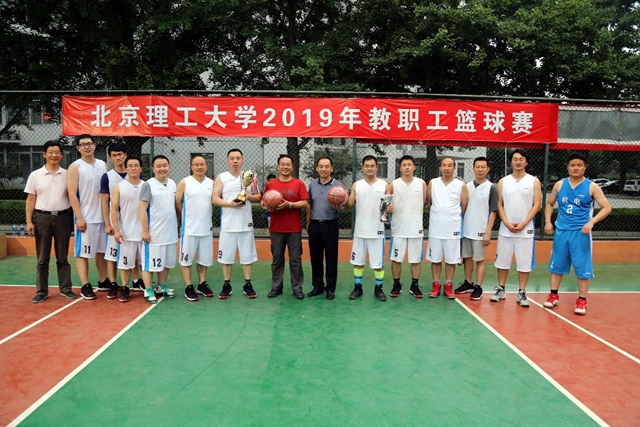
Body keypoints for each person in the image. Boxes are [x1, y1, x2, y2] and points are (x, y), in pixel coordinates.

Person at [543, 152, 611, 315]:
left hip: (581, 233)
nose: (575, 168)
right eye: (572, 165)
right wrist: (548, 221)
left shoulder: (592, 186)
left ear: (584, 167)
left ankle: (581, 301)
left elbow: (607, 207)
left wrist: (591, 222)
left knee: (582, 267)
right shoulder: (560, 185)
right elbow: (550, 203)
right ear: (567, 167)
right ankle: (553, 295)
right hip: (561, 232)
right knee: (557, 266)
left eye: (579, 165)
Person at [25, 140, 75, 303]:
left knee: (63, 257)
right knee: (42, 258)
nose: (54, 155)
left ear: (61, 155)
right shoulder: (35, 175)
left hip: (63, 217)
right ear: (44, 154)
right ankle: (41, 290)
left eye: (57, 152)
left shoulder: (67, 174)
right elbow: (31, 199)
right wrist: (29, 221)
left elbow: (73, 197)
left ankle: (65, 288)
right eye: (51, 152)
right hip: (42, 218)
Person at [492, 149, 542, 307]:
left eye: (521, 159)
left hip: (525, 229)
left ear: (526, 162)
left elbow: (537, 205)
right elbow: (499, 204)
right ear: (511, 162)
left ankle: (522, 292)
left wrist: (524, 223)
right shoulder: (503, 181)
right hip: (506, 228)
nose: (518, 162)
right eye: (515, 159)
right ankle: (501, 289)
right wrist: (506, 222)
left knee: (524, 262)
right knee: (502, 261)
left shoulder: (533, 181)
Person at [212, 149, 261, 299]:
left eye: (238, 158)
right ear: (228, 161)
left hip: (246, 224)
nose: (235, 161)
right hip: (228, 225)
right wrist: (231, 204)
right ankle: (227, 285)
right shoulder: (222, 177)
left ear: (242, 160)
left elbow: (258, 197)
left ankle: (248, 284)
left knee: (247, 257)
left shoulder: (250, 177)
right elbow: (215, 198)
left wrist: (248, 195)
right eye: (232, 158)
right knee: (226, 258)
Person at [67, 134, 108, 300]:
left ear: (95, 145)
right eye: (83, 144)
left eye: (89, 143)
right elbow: (72, 194)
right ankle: (85, 285)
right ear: (78, 148)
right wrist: (79, 217)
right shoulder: (75, 167)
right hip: (86, 217)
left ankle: (103, 281)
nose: (87, 147)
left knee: (101, 251)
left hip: (102, 217)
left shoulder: (103, 164)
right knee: (83, 253)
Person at [262, 154, 309, 299]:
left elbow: (304, 202)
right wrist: (267, 206)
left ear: (292, 167)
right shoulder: (271, 185)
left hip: (293, 228)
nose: (285, 167)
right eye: (282, 164)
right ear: (278, 167)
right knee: (277, 259)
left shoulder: (298, 184)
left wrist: (290, 204)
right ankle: (276, 287)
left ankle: (297, 288)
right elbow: (264, 202)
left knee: (295, 260)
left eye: (288, 164)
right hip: (276, 228)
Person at [100, 143, 143, 298]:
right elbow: (105, 201)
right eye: (114, 155)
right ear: (110, 158)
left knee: (134, 253)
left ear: (125, 155)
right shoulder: (107, 176)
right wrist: (107, 224)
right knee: (112, 254)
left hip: (133, 222)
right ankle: (113, 283)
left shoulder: (135, 175)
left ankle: (136, 280)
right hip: (115, 223)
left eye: (120, 154)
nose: (118, 157)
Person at [454, 157, 497, 301]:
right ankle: (468, 283)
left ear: (488, 169)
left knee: (479, 260)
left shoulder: (491, 188)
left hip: (481, 230)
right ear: (473, 168)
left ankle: (478, 286)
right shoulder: (466, 186)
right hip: (466, 229)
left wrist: (487, 232)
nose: (480, 169)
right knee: (467, 258)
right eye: (477, 167)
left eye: (483, 167)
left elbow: (493, 212)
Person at [346, 155, 388, 301]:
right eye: (367, 166)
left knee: (378, 263)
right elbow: (350, 204)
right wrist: (341, 199)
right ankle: (358, 287)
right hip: (360, 230)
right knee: (358, 261)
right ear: (362, 168)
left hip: (377, 231)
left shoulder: (385, 185)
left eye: (372, 166)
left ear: (376, 167)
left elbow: (387, 209)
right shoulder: (356, 185)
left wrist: (390, 209)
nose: (369, 168)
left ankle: (379, 288)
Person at [426, 157, 468, 299]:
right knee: (435, 259)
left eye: (449, 165)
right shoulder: (433, 183)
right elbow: (429, 202)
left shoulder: (461, 185)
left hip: (453, 228)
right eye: (444, 165)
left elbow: (464, 206)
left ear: (454, 168)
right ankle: (436, 284)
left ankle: (448, 285)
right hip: (436, 228)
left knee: (451, 259)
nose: (446, 168)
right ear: (440, 167)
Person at [387, 155, 428, 298]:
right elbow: (387, 204)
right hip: (398, 227)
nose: (407, 167)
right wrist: (389, 208)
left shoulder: (421, 183)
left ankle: (414, 285)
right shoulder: (393, 184)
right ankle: (396, 284)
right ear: (400, 168)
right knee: (396, 258)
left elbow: (424, 201)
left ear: (414, 167)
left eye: (410, 164)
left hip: (415, 227)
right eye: (404, 165)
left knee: (416, 259)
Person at [139, 155, 178, 304]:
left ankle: (161, 286)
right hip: (154, 233)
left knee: (166, 263)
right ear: (153, 168)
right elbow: (142, 209)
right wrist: (145, 231)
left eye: (165, 165)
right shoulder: (148, 185)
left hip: (170, 232)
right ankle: (148, 289)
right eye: (159, 166)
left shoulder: (172, 183)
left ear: (169, 166)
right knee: (149, 264)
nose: (162, 168)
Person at [176, 155, 215, 302]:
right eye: (196, 164)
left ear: (206, 166)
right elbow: (178, 202)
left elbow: (212, 203)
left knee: (204, 260)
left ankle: (202, 284)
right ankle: (189, 286)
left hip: (206, 228)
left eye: (202, 164)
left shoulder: (211, 183)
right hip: (189, 229)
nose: (199, 167)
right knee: (186, 260)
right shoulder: (184, 182)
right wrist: (187, 217)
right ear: (191, 166)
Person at [306, 157, 345, 300]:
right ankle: (317, 286)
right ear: (317, 168)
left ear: (331, 168)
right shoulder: (312, 184)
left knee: (331, 258)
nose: (324, 169)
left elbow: (343, 207)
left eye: (327, 166)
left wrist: (339, 207)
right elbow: (309, 203)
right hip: (315, 225)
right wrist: (308, 222)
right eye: (321, 166)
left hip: (330, 225)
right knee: (315, 258)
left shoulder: (338, 186)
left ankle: (330, 288)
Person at [111, 156, 145, 302]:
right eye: (130, 166)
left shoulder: (146, 186)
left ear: (141, 168)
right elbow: (114, 210)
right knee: (125, 263)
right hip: (126, 232)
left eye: (136, 165)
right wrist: (116, 230)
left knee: (144, 263)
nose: (133, 168)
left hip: (144, 233)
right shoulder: (119, 187)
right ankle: (125, 287)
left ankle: (147, 286)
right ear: (126, 169)